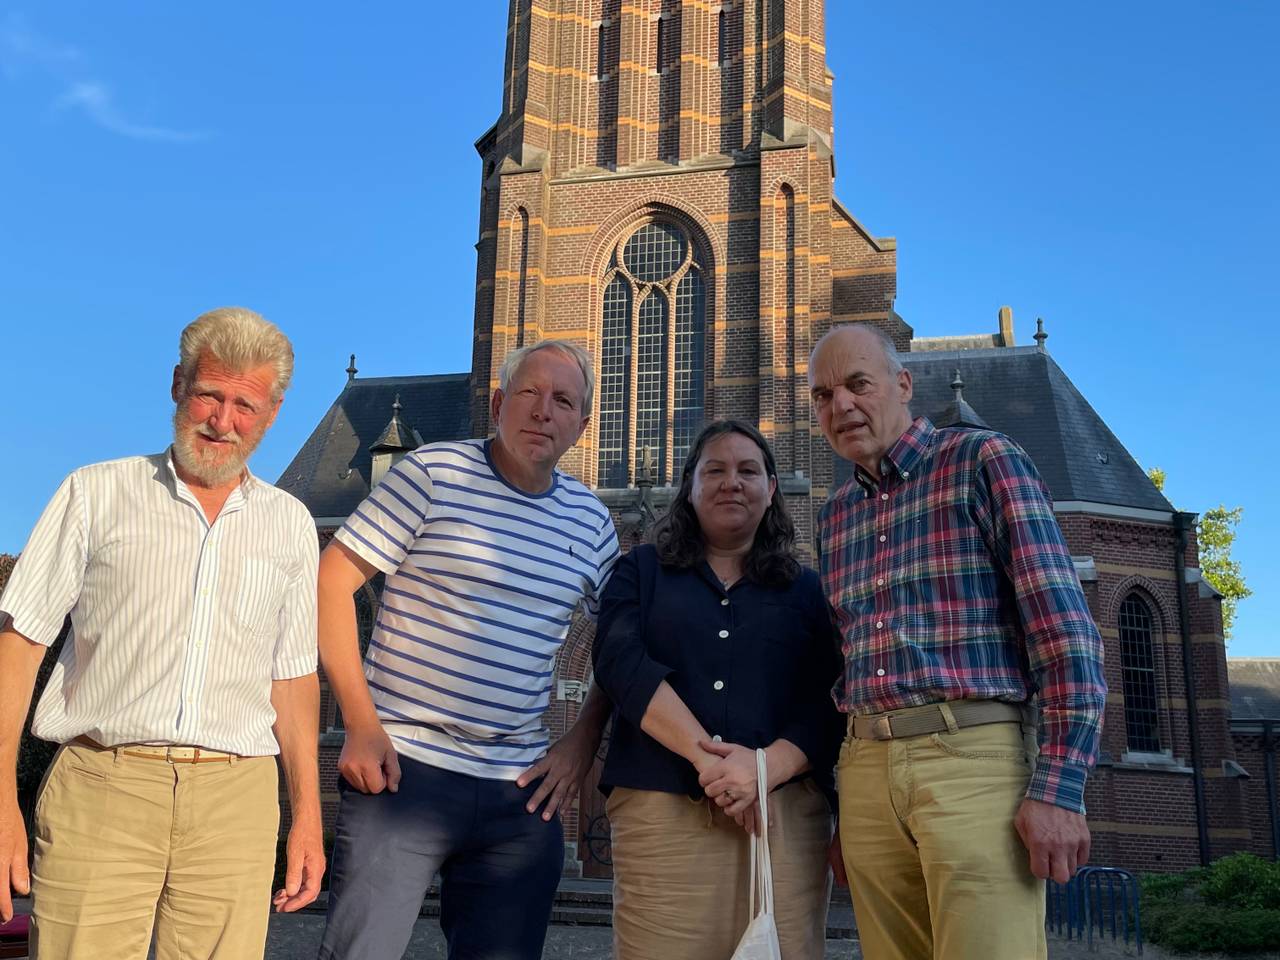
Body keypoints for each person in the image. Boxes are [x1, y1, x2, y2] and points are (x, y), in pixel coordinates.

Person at [0, 307, 325, 959]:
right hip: (102, 785)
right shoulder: (94, 495)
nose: (222, 420)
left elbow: (293, 678)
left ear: (273, 412)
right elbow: (20, 646)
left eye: (245, 404)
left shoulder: (290, 524)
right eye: (209, 394)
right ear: (178, 384)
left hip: (238, 799)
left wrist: (307, 816)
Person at [808, 323, 1108, 960]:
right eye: (822, 394)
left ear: (904, 384)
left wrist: (1058, 789)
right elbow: (845, 669)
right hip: (866, 769)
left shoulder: (982, 460)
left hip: (973, 759)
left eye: (857, 384)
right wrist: (846, 807)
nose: (841, 406)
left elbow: (1064, 631)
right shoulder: (834, 516)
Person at [315, 339, 621, 960]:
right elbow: (331, 581)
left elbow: (621, 644)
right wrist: (361, 722)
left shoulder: (591, 522)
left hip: (519, 789)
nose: (543, 411)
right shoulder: (431, 473)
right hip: (403, 769)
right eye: (530, 393)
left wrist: (580, 741)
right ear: (500, 401)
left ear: (583, 427)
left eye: (563, 401)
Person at [592, 419, 844, 960]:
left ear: (772, 489)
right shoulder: (640, 572)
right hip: (663, 813)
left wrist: (765, 769)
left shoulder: (807, 591)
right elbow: (620, 662)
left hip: (782, 819)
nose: (733, 481)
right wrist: (713, 764)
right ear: (690, 486)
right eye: (716, 470)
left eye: (749, 470)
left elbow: (830, 696)